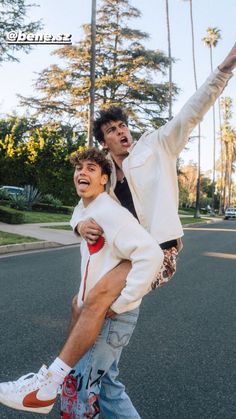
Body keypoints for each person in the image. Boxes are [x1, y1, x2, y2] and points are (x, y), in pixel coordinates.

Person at [0, 42, 236, 418]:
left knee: (97, 305)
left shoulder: (156, 146)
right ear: (104, 140)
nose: (122, 132)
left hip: (159, 250)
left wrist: (223, 70)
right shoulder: (103, 173)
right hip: (125, 253)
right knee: (80, 309)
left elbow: (192, 112)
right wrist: (80, 224)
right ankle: (54, 384)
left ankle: (47, 385)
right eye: (112, 129)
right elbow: (84, 203)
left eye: (123, 125)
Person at [0, 148, 164, 417]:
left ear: (103, 179)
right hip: (98, 315)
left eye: (91, 168)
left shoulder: (111, 212)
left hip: (109, 316)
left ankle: (42, 389)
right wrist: (78, 225)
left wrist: (124, 301)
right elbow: (77, 214)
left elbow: (151, 254)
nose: (82, 173)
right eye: (79, 168)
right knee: (106, 389)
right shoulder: (88, 208)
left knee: (82, 390)